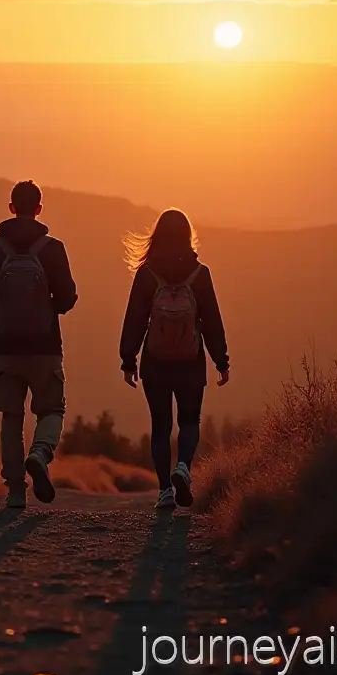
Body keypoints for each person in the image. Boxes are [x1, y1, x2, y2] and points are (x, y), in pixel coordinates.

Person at [0, 180, 77, 509]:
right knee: (52, 409)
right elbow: (67, 298)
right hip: (46, 345)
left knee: (11, 417)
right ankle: (40, 453)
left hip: (6, 346)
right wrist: (48, 308)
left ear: (10, 207)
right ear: (39, 209)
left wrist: (5, 313)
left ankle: (16, 491)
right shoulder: (53, 249)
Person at [119, 208, 229, 510]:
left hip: (155, 361)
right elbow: (212, 322)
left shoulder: (147, 274)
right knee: (189, 419)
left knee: (161, 425)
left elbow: (135, 319)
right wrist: (222, 361)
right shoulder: (200, 274)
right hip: (191, 361)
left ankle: (165, 491)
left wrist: (128, 359)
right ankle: (183, 467)